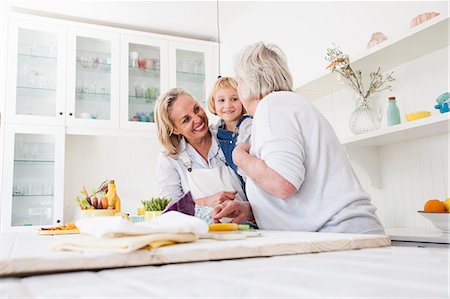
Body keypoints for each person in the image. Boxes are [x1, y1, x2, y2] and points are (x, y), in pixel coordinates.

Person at [213, 41, 385, 235]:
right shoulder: (285, 105)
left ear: (250, 82)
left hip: (339, 234)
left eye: (239, 81)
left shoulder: (272, 105)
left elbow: (282, 183)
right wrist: (252, 211)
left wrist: (240, 157)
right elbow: (298, 190)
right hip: (342, 233)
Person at [154, 88, 247, 223]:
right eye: (186, 119)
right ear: (174, 129)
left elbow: (258, 192)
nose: (197, 119)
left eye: (196, 109)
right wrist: (206, 202)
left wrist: (245, 208)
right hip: (202, 236)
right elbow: (169, 213)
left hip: (247, 230)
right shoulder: (170, 159)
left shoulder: (229, 137)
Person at [207, 76, 252, 188]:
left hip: (252, 185)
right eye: (221, 100)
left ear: (243, 100)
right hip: (233, 189)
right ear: (214, 103)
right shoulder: (215, 132)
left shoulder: (249, 127)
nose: (228, 105)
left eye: (234, 99)